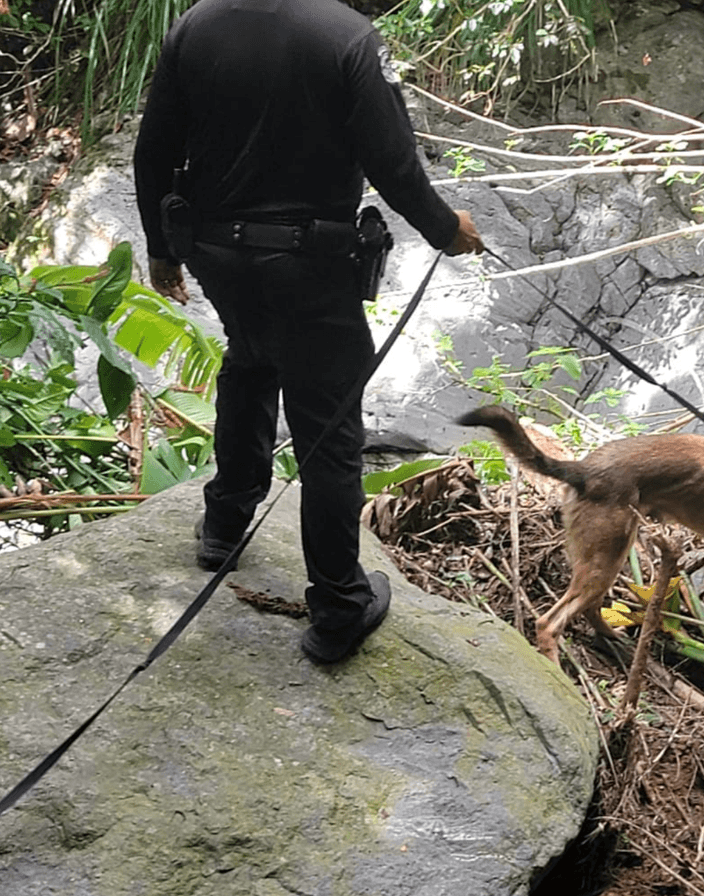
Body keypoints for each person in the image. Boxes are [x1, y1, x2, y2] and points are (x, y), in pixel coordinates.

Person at [133, 0, 484, 664]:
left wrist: (161, 248)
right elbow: (392, 161)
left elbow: (153, 150)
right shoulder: (347, 36)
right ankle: (338, 608)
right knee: (328, 428)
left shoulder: (197, 24)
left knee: (252, 357)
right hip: (308, 263)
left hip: (217, 251)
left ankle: (225, 524)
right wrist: (448, 230)